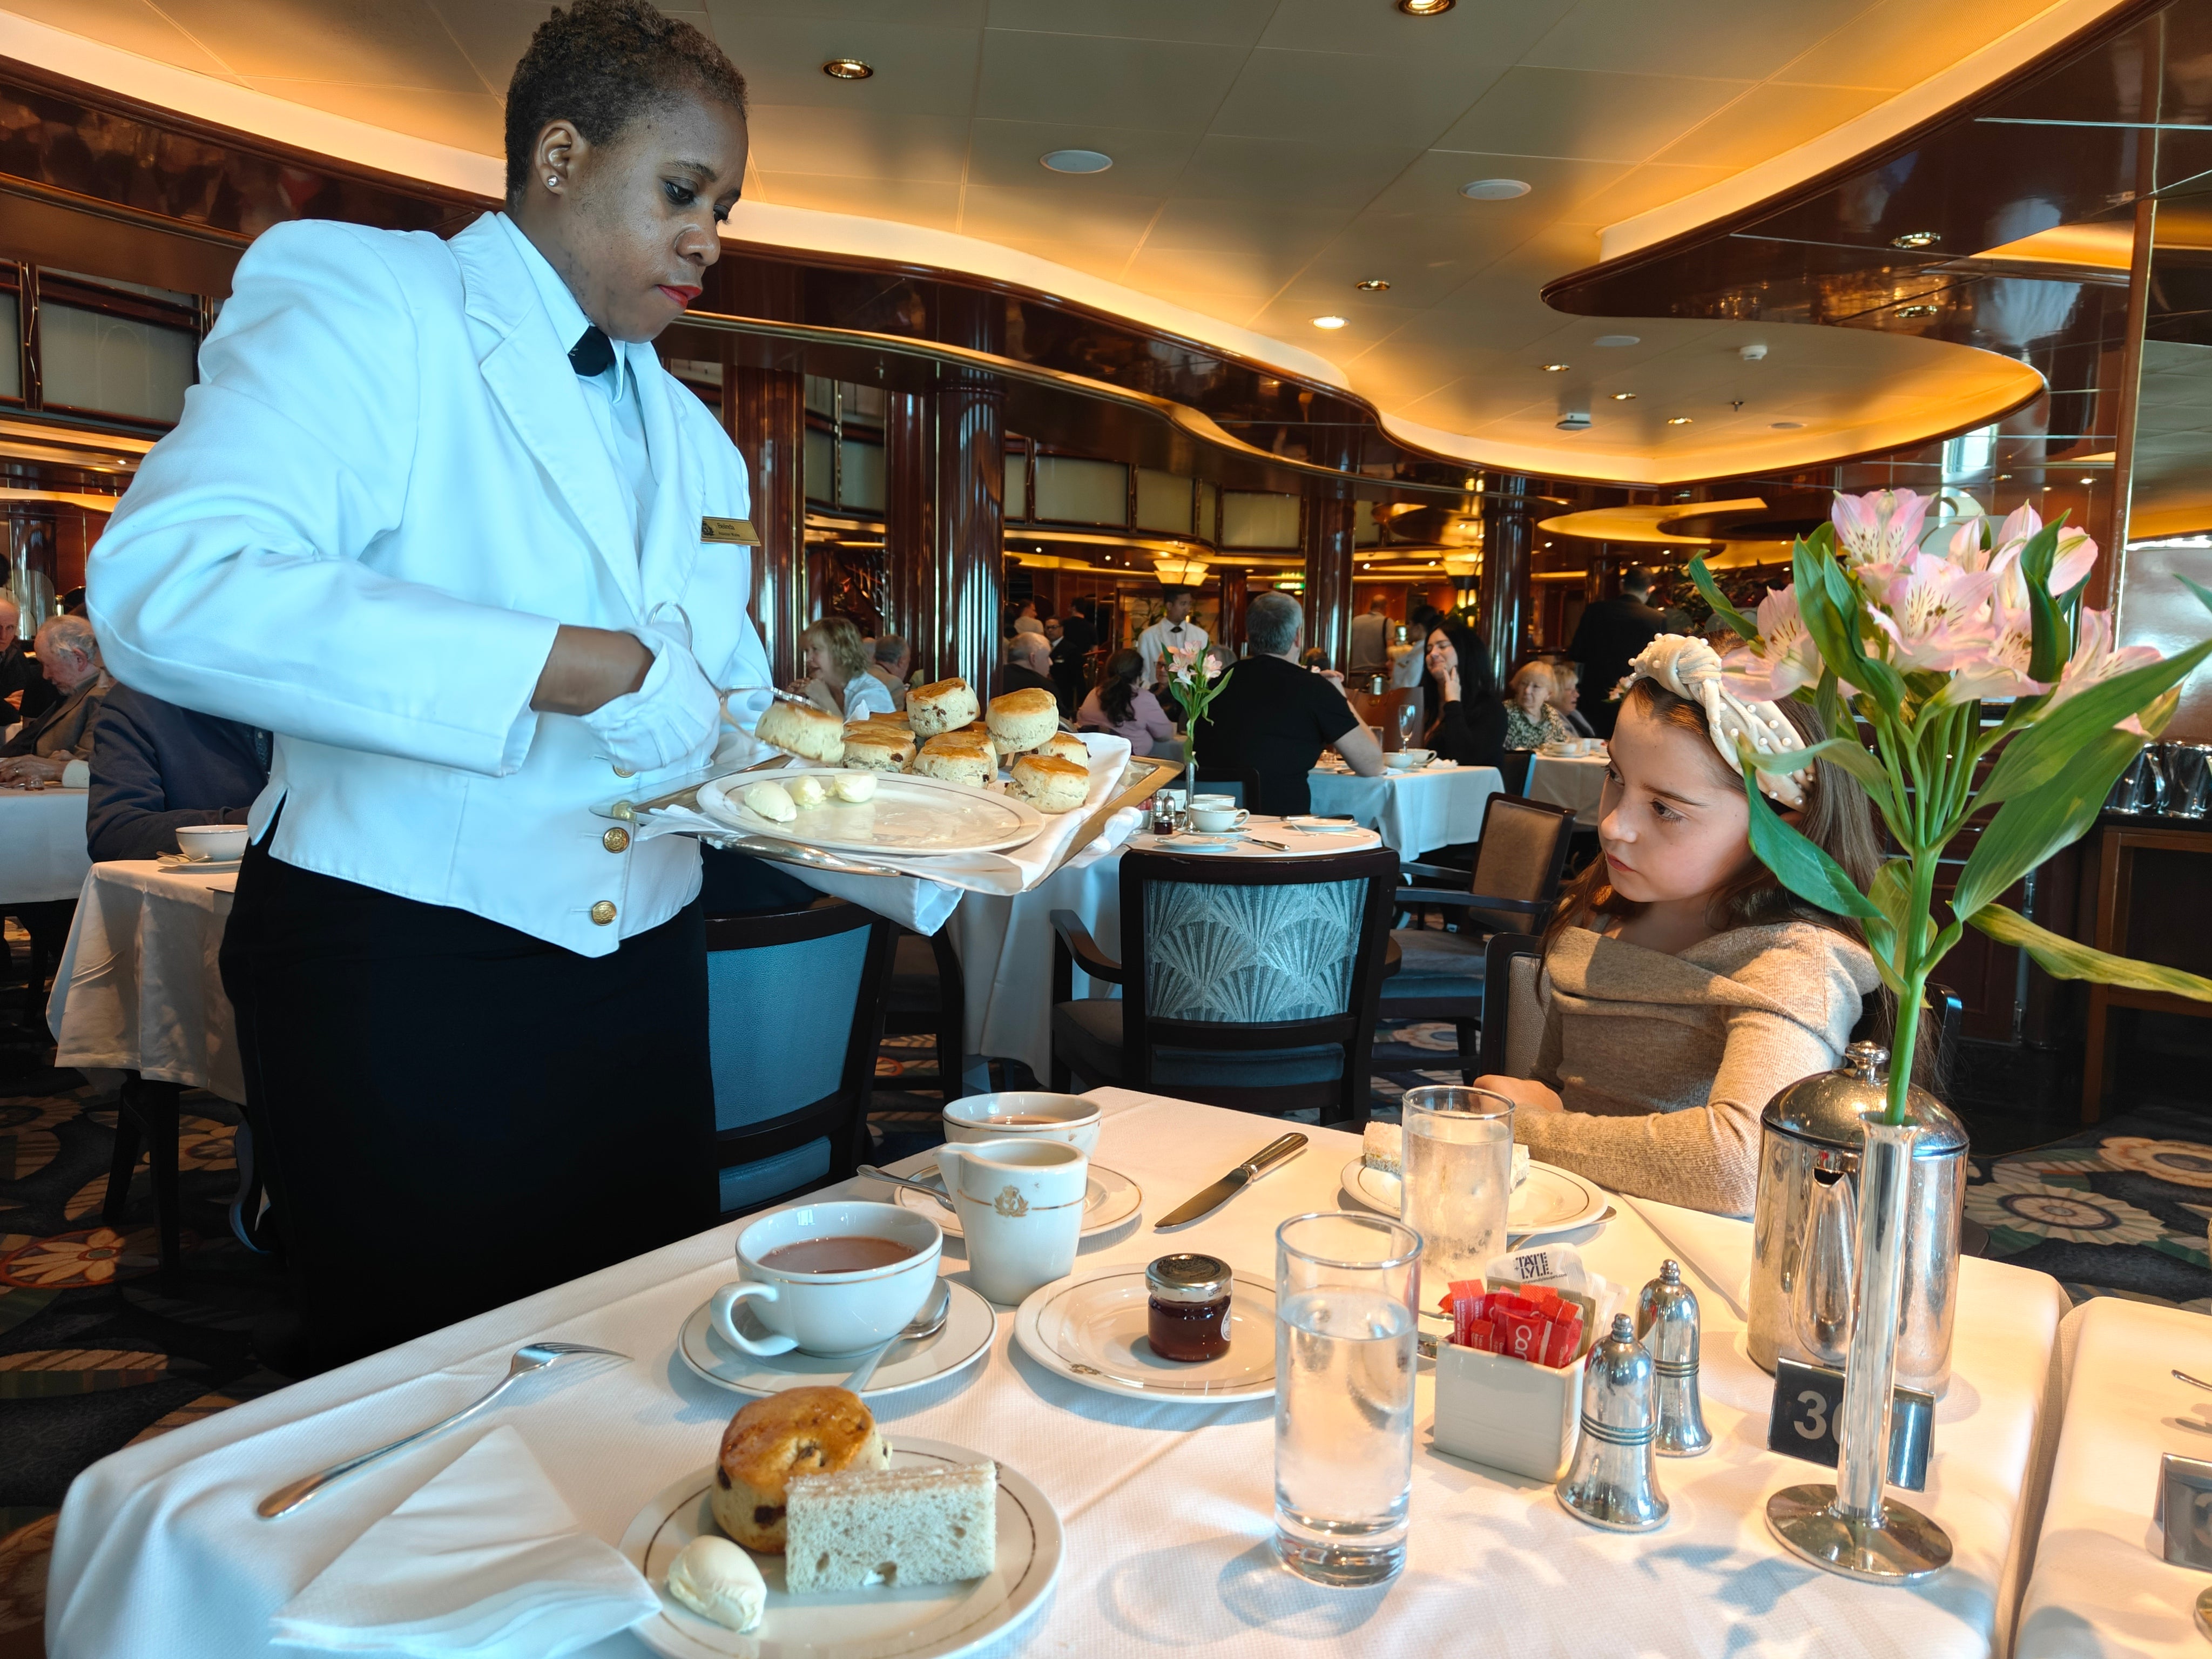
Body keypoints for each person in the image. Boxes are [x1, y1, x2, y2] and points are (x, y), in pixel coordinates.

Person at [86, 0, 769, 1370]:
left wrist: (891, 806)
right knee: (425, 1396)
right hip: (407, 963)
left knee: (639, 1369)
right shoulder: (370, 297)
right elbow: (174, 582)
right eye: (683, 191)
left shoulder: (699, 436)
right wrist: (578, 666)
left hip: (646, 967)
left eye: (727, 207)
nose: (709, 235)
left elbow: (726, 693)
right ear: (561, 155)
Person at [1473, 636, 1883, 1218]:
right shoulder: (1605, 904)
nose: (1613, 826)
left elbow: (1741, 1167)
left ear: (1783, 823)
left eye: (1665, 809)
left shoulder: (1795, 961)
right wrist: (1536, 1111)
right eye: (1616, 776)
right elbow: (1560, 1090)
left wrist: (1532, 1130)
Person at [1193, 590, 1384, 815]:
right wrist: (1339, 697)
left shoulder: (1211, 687)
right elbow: (1372, 764)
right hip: (1285, 832)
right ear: (1298, 637)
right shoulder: (1314, 689)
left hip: (1215, 829)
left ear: (1248, 634)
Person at [85, 685, 272, 861]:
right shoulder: (141, 700)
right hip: (198, 889)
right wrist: (239, 823)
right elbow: (112, 833)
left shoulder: (287, 696)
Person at [0, 616, 111, 782]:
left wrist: (53, 767)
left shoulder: (99, 699)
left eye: (48, 665)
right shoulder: (78, 693)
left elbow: (90, 766)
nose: (45, 675)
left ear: (79, 659)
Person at [1567, 569, 1665, 738]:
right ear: (1650, 589)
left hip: (1592, 696)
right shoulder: (1656, 619)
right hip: (1634, 700)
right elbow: (1658, 664)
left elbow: (1577, 653)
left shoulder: (1595, 611)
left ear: (1622, 585)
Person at [1421, 619, 1506, 768]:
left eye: (1442, 646)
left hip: (1468, 789)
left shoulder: (1489, 707)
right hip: (1422, 787)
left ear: (1464, 651)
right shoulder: (1424, 702)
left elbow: (1465, 760)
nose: (1433, 654)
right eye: (1429, 649)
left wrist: (1453, 702)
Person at [1077, 646, 1179, 760]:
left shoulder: (1094, 693)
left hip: (1090, 758)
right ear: (1139, 674)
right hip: (1128, 763)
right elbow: (1165, 734)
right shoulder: (1143, 698)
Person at [800, 616, 894, 720]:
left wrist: (825, 700)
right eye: (806, 651)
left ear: (841, 652)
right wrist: (795, 702)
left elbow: (862, 736)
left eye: (815, 649)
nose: (808, 659)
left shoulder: (872, 693)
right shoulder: (825, 687)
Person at [0, 594, 58, 725]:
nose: (3, 636)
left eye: (10, 628)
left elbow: (21, 703)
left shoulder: (15, 654)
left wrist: (5, 705)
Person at [1135, 589, 1205, 689]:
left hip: (1189, 699)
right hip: (1156, 697)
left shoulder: (1201, 635)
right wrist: (1153, 694)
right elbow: (1142, 674)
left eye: (1189, 604)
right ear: (1169, 606)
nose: (1187, 609)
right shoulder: (1147, 636)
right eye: (1183, 604)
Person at [1503, 661, 1574, 750]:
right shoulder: (1505, 712)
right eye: (1524, 684)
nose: (1527, 691)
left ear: (1549, 694)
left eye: (1536, 687)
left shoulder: (1551, 715)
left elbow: (1562, 748)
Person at [1001, 630, 1065, 712]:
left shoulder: (993, 678)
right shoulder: (1044, 689)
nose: (1051, 663)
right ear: (1033, 659)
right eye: (1047, 657)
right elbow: (1062, 721)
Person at [1391, 602, 1440, 690]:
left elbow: (1408, 688)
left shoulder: (1420, 655)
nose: (1408, 628)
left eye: (1410, 624)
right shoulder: (1421, 650)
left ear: (1418, 628)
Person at [1348, 595, 1391, 680]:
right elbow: (1391, 650)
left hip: (1355, 673)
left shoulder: (1355, 621)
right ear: (1385, 607)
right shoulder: (1387, 622)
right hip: (1378, 675)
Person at [1551, 661, 1597, 738]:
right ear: (1555, 692)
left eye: (1576, 690)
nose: (1577, 695)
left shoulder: (1574, 715)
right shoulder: (1550, 722)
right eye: (1571, 691)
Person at [866, 634, 910, 710]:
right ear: (901, 662)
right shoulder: (894, 683)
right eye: (908, 662)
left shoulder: (861, 675)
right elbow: (893, 720)